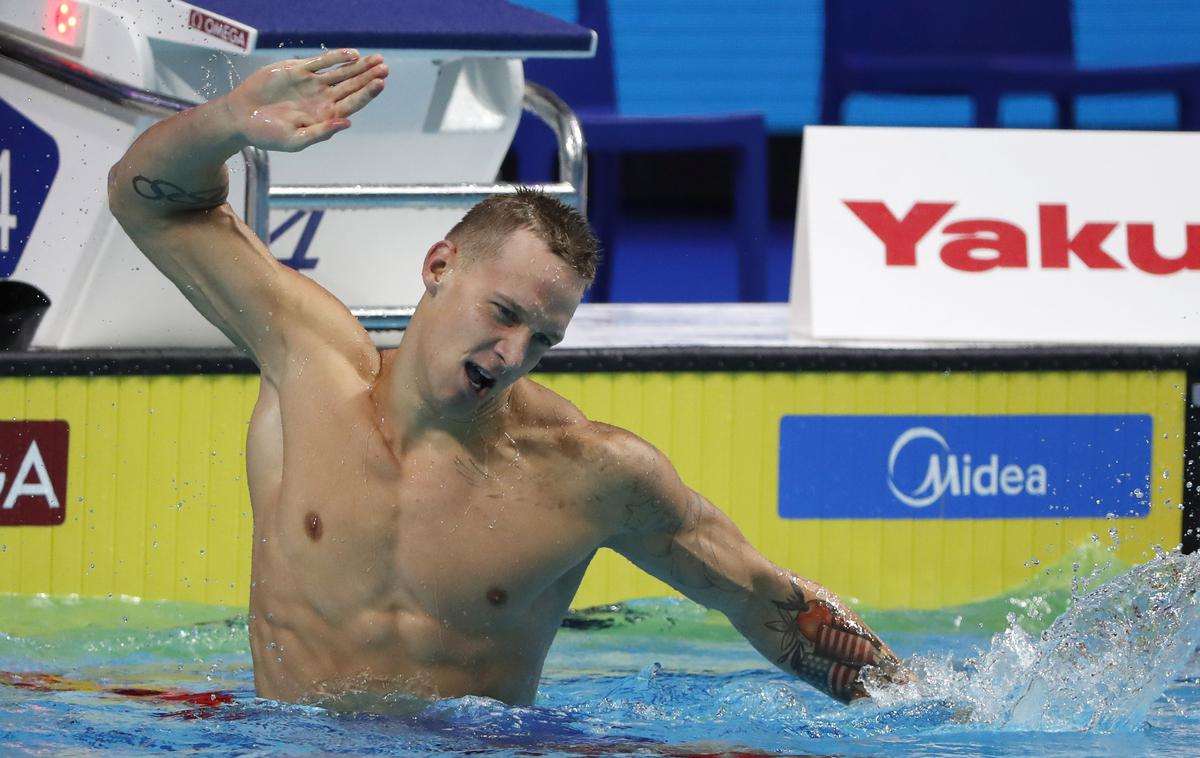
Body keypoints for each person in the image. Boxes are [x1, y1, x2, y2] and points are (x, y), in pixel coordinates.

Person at [107, 49, 907, 709]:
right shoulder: (306, 361)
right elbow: (154, 205)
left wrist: (926, 709)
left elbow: (761, 599)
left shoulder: (585, 472)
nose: (513, 351)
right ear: (438, 267)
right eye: (501, 312)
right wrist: (222, 127)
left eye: (543, 339)